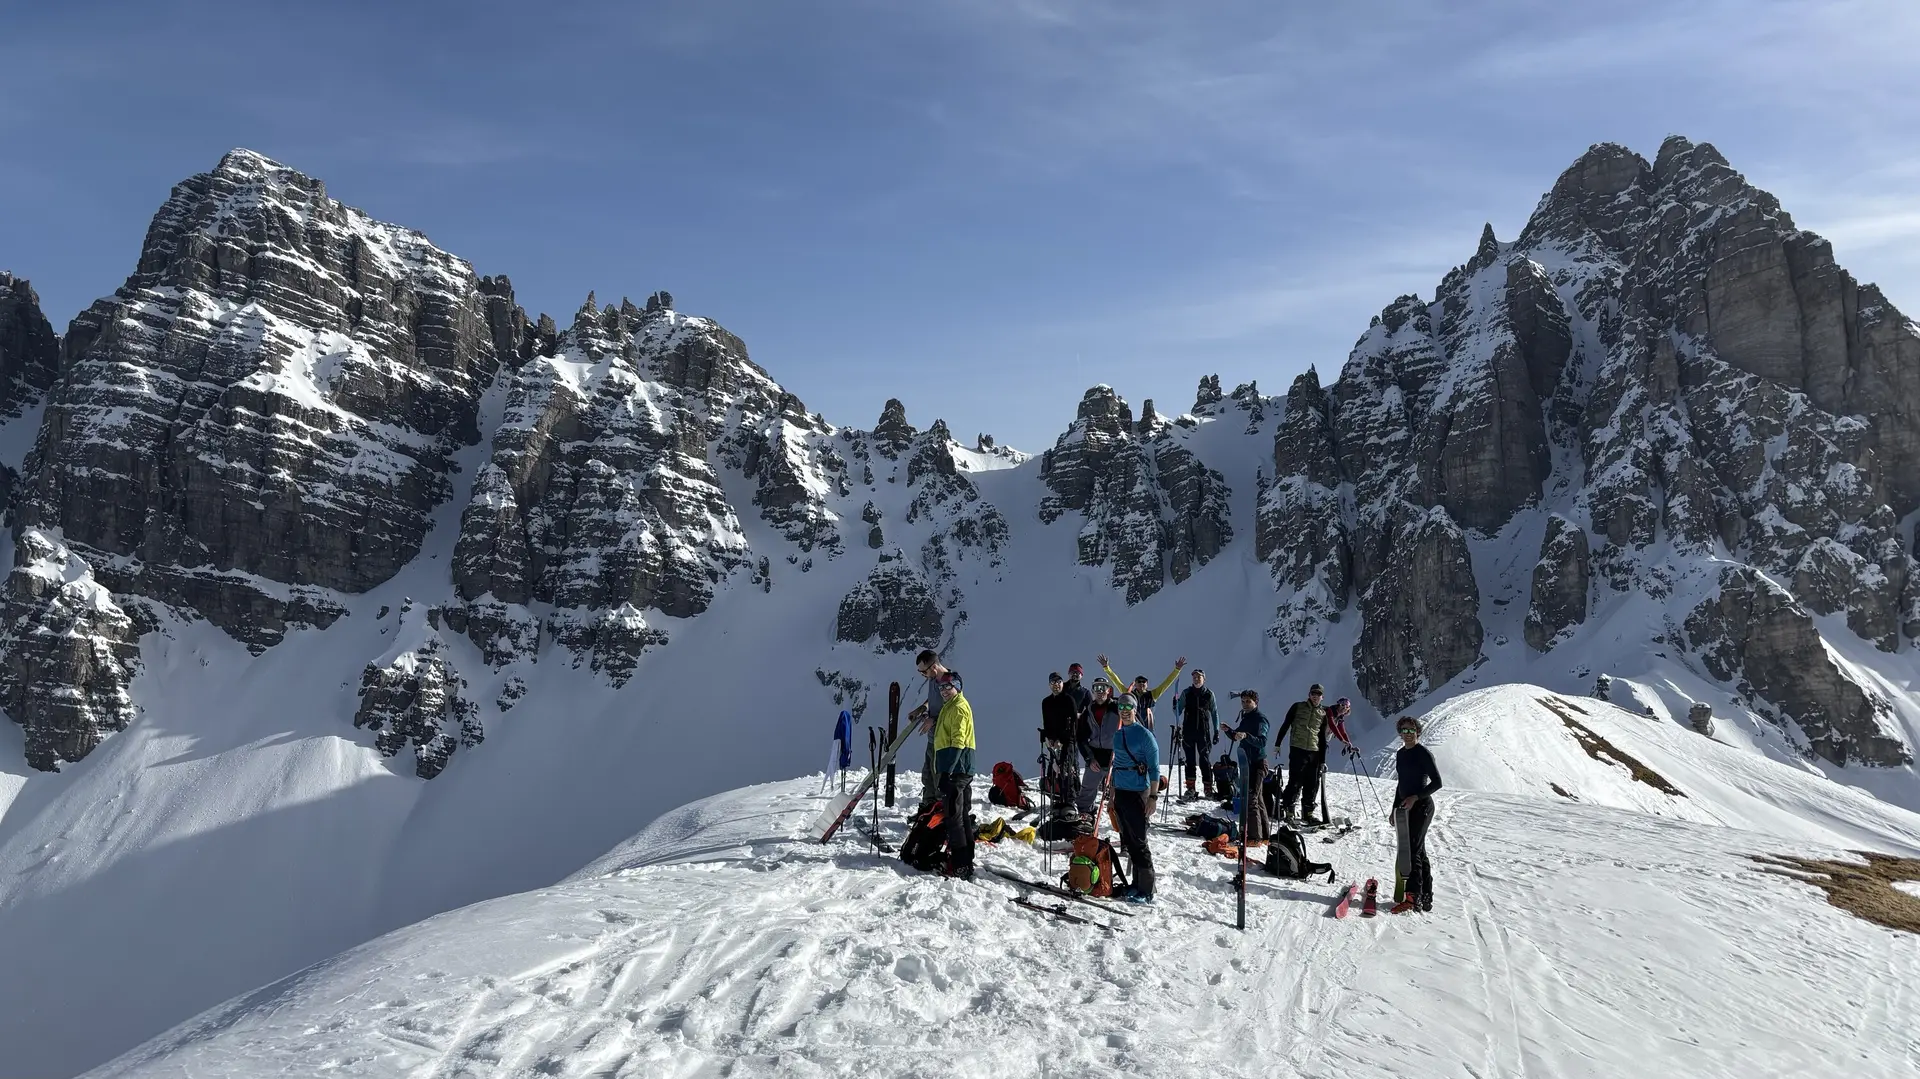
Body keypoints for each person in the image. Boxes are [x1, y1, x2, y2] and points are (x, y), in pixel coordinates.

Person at [1389, 715, 1443, 914]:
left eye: (1411, 730)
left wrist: (1415, 798)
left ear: (1418, 732)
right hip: (1406, 808)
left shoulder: (1423, 753)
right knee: (1419, 851)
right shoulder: (1401, 754)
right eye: (1404, 730)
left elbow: (1437, 782)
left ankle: (1413, 897)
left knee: (1412, 851)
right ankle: (1425, 895)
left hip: (1423, 808)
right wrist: (1395, 809)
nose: (1408, 734)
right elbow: (1401, 784)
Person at [1109, 695, 1160, 903]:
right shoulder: (1118, 735)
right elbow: (1116, 765)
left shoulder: (1145, 736)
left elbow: (1155, 769)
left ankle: (1147, 890)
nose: (1124, 710)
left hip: (1139, 793)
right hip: (1121, 792)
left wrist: (1153, 797)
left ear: (1135, 708)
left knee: (1139, 841)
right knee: (1129, 841)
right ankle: (1136, 885)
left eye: (1128, 706)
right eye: (1121, 706)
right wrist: (1112, 796)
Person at [932, 671, 977, 879]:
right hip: (960, 767)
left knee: (954, 816)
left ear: (957, 686)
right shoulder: (951, 706)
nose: (944, 691)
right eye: (941, 688)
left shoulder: (958, 708)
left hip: (957, 769)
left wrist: (947, 771)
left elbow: (958, 740)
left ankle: (960, 864)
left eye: (948, 687)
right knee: (962, 814)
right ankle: (966, 859)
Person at [1220, 689, 1271, 843]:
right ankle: (1264, 836)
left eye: (1248, 701)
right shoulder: (1246, 717)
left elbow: (1262, 741)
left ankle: (1254, 837)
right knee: (1258, 799)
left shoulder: (1260, 719)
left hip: (1258, 763)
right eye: (1243, 701)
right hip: (1247, 763)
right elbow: (1238, 736)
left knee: (1251, 799)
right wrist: (1229, 731)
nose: (1245, 704)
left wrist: (1246, 736)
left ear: (1256, 702)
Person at [1275, 683, 1329, 825]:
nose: (1315, 696)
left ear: (1322, 697)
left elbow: (1322, 738)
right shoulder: (1298, 707)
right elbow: (1286, 724)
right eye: (1313, 693)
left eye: (1318, 694)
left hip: (1314, 751)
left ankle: (1308, 812)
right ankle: (1289, 809)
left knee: (1312, 783)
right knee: (1295, 780)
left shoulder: (1323, 713)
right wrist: (1278, 743)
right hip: (1297, 748)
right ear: (1309, 695)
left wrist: (1322, 760)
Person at [1076, 679, 1125, 828]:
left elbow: (1132, 725)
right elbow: (1081, 737)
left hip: (1116, 756)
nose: (1099, 691)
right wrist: (1089, 758)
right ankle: (1086, 819)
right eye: (1096, 688)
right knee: (1087, 790)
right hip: (1096, 756)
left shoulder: (1117, 707)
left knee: (1121, 793)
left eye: (1103, 688)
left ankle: (1125, 827)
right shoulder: (1088, 711)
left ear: (1108, 690)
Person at [911, 649, 956, 808]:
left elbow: (952, 711)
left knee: (939, 779)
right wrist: (923, 708)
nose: (923, 675)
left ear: (933, 667)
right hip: (933, 738)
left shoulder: (949, 683)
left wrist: (934, 720)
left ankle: (939, 814)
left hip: (944, 740)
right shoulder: (933, 680)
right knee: (928, 777)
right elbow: (934, 700)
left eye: (924, 672)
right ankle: (928, 811)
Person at [1097, 653, 1184, 731]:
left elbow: (1166, 683)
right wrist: (1106, 668)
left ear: (1147, 684)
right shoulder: (1129, 694)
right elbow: (1116, 681)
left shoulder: (1153, 695)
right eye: (1139, 681)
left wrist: (1177, 670)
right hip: (1131, 727)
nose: (1141, 683)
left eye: (1144, 682)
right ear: (1135, 684)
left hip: (1147, 728)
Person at [1174, 668, 1219, 800]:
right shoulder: (1186, 693)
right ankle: (1190, 788)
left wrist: (1216, 730)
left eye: (1199, 677)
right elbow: (1178, 711)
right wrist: (1175, 705)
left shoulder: (1209, 694)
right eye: (1194, 677)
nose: (1196, 679)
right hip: (1188, 731)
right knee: (1190, 760)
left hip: (1204, 732)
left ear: (1204, 679)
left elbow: (1215, 713)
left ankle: (1208, 788)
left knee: (1204, 759)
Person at [1039, 672, 1082, 810]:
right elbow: (1047, 723)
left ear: (1063, 683)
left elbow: (1073, 723)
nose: (1056, 685)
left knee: (1067, 770)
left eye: (1058, 682)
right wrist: (1049, 738)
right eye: (1053, 683)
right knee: (1054, 770)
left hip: (1068, 741)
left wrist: (1062, 740)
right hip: (1053, 742)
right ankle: (1057, 799)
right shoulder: (1046, 702)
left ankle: (1069, 800)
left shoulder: (1069, 700)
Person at [1062, 663, 1093, 763]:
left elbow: (1091, 709)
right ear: (1068, 673)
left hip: (1077, 726)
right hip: (1061, 725)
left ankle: (1074, 772)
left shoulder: (1085, 692)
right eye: (1072, 672)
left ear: (1081, 675)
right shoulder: (1061, 689)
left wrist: (1080, 715)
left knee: (1074, 750)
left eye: (1077, 673)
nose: (1075, 674)